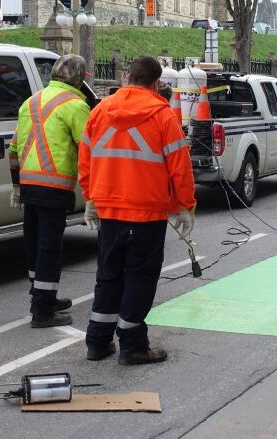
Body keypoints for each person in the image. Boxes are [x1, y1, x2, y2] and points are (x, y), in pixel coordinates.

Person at [79, 55, 196, 365]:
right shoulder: (163, 116)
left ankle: (97, 342)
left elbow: (86, 157)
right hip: (146, 212)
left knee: (108, 276)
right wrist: (185, 206)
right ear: (157, 83)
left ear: (128, 77)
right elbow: (180, 167)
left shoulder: (100, 111)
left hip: (109, 210)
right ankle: (132, 346)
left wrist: (90, 197)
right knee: (139, 280)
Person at [8, 54, 91, 328]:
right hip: (54, 186)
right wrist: (93, 195)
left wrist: (16, 185)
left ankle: (42, 297)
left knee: (34, 245)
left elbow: (12, 149)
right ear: (78, 78)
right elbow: (89, 151)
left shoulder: (30, 102)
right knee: (50, 248)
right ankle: (43, 312)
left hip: (30, 185)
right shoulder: (76, 105)